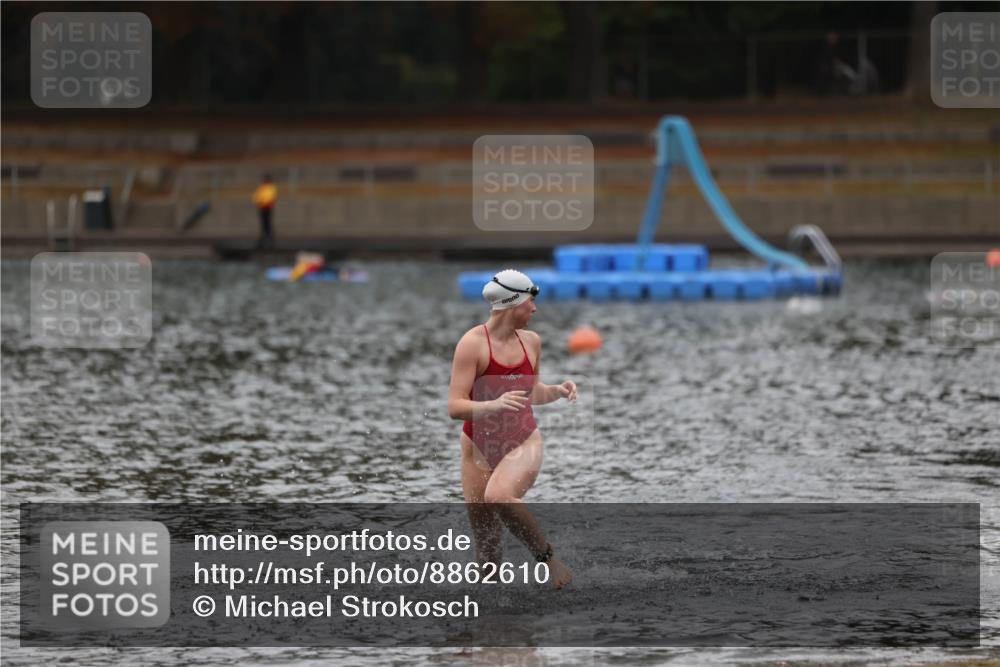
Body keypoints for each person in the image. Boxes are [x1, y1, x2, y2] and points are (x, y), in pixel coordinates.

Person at [448, 269, 576, 589]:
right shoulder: (472, 344)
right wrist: (493, 405)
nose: (534, 309)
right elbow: (455, 406)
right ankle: (489, 630)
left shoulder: (531, 341)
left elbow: (530, 393)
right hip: (476, 447)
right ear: (511, 304)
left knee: (499, 495)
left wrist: (557, 390)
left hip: (522, 441)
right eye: (530, 302)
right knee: (488, 554)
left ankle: (548, 559)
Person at [252, 174, 277, 248]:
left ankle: (269, 235)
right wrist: (259, 202)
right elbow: (256, 197)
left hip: (267, 207)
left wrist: (264, 202)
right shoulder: (262, 188)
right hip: (262, 207)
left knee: (267, 222)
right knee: (263, 222)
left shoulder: (271, 188)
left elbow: (271, 197)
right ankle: (264, 235)